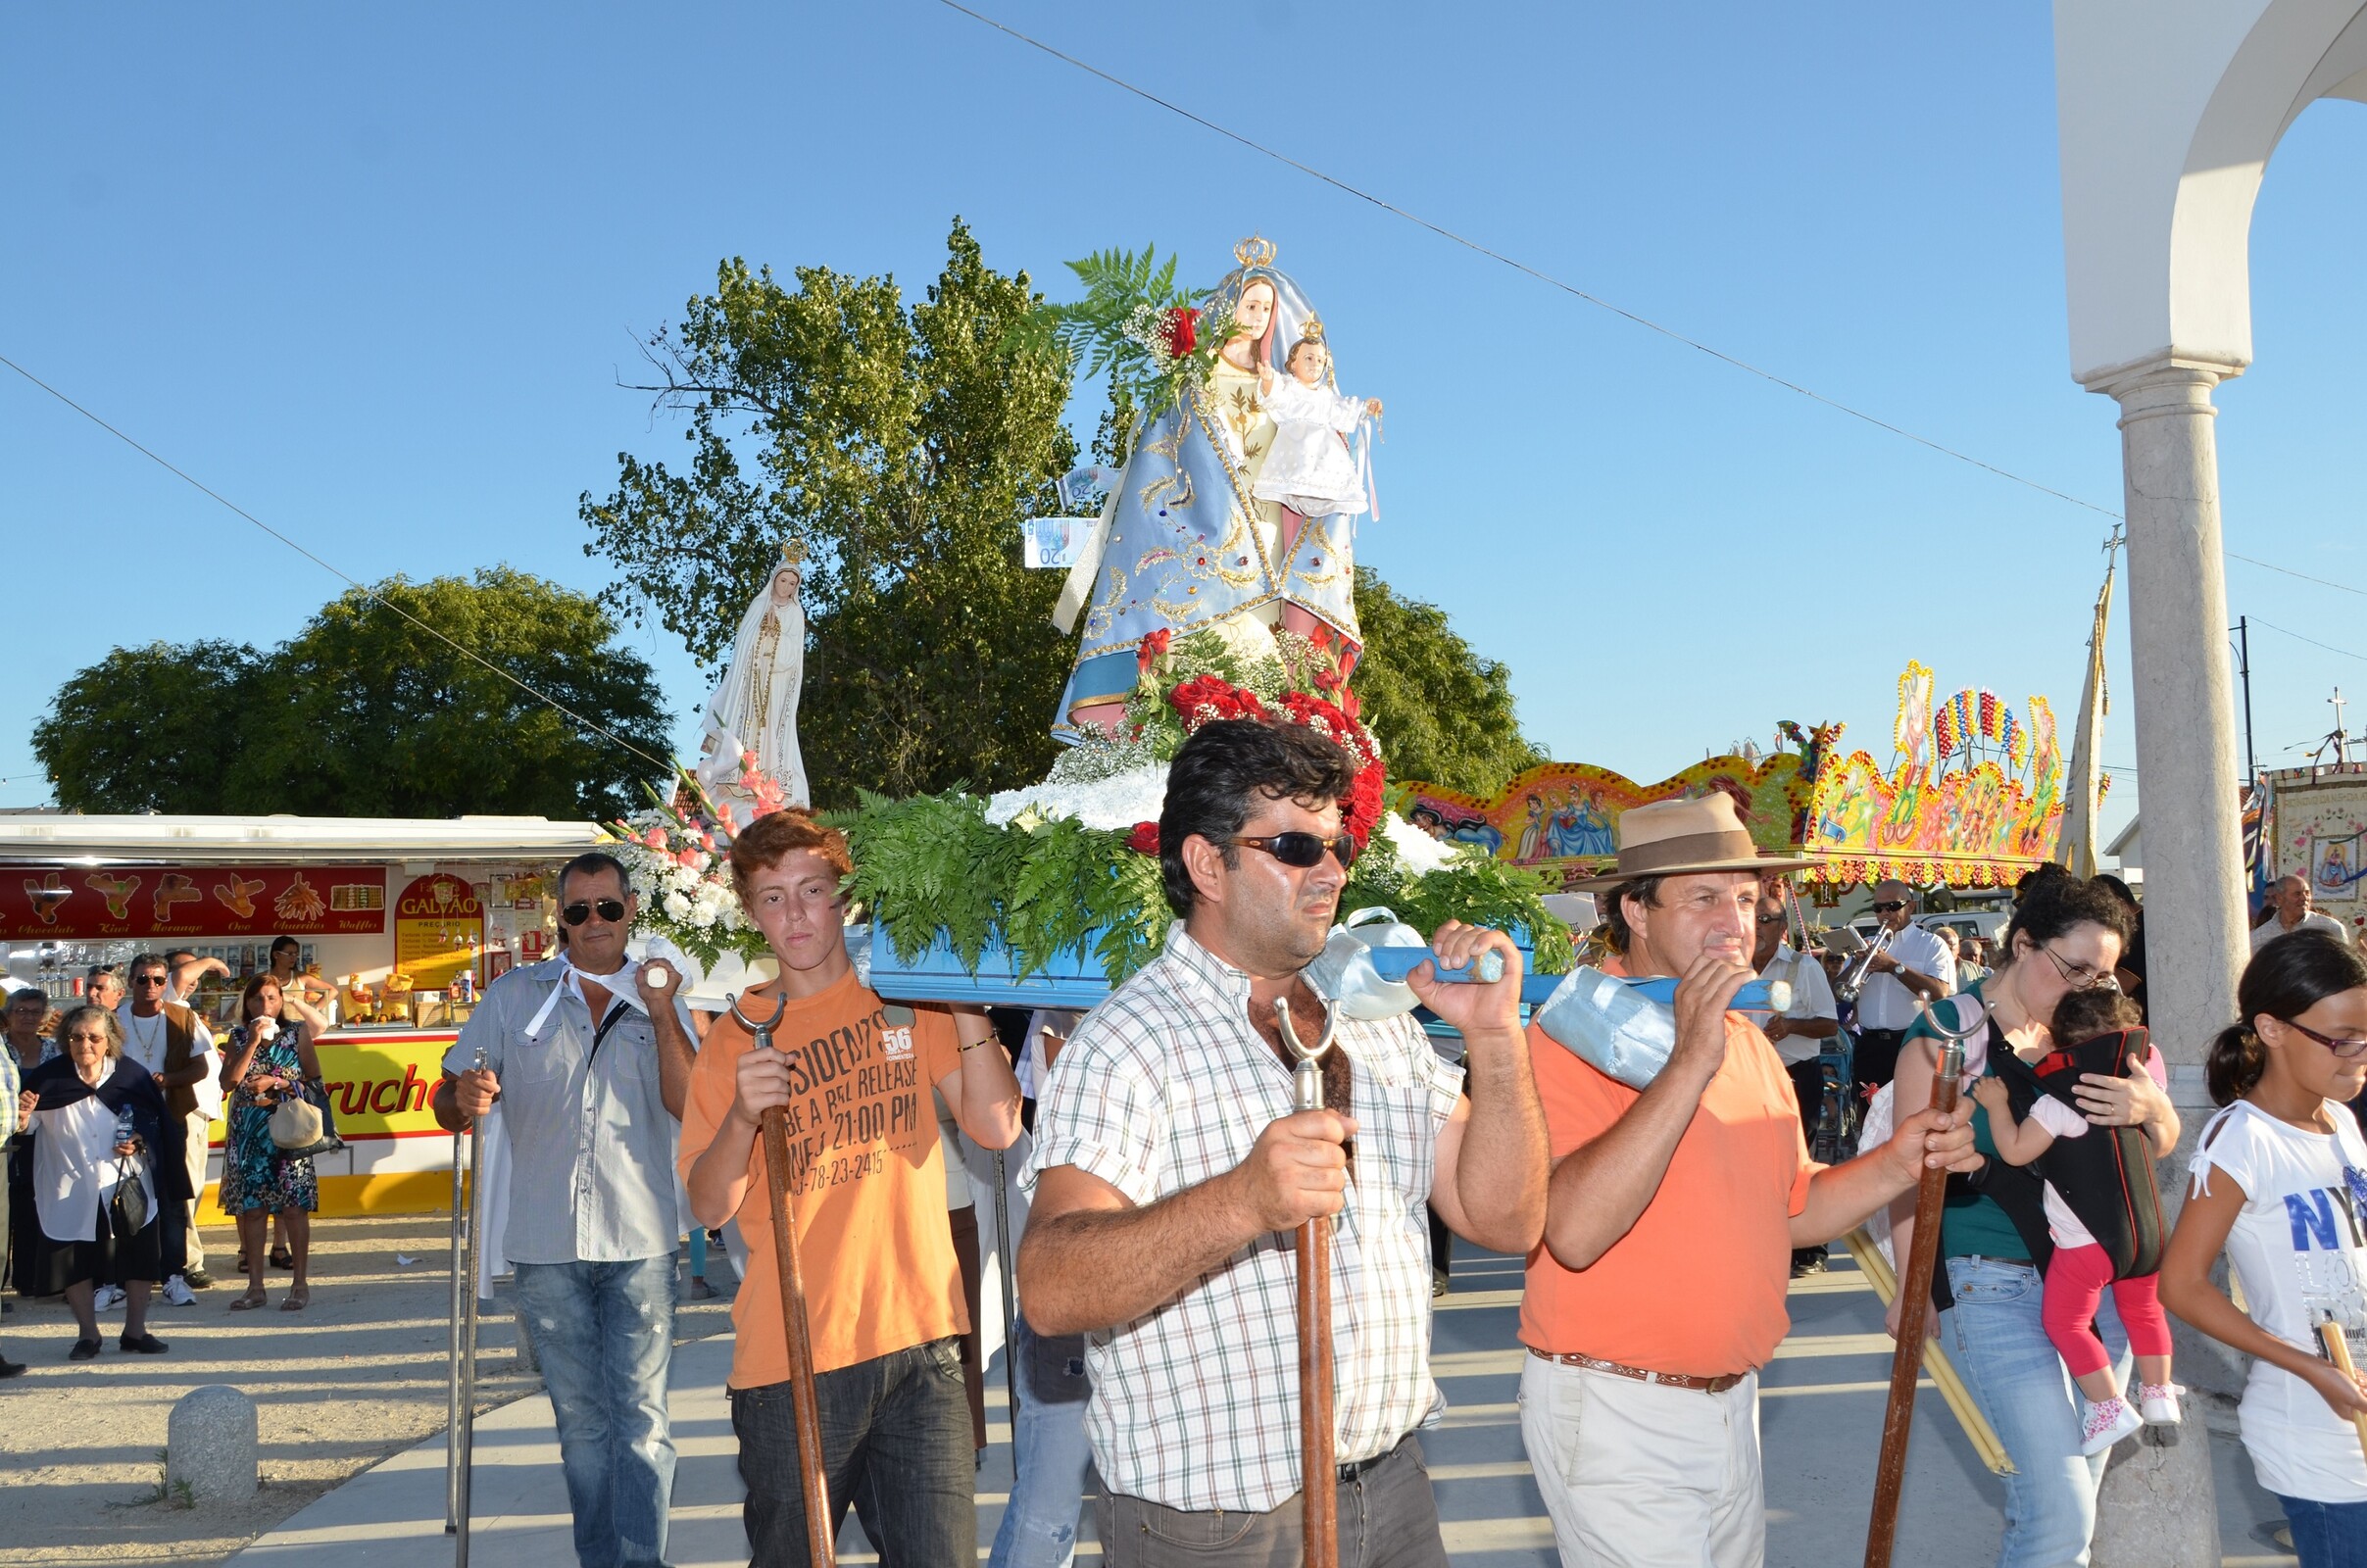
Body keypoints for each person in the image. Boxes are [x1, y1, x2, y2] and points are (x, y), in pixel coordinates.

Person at [1020, 718, 1550, 1566]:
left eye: (1339, 847)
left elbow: (1507, 1219)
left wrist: (1495, 1041)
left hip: (1392, 1490)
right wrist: (1241, 1201)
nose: (1331, 872)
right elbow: (1050, 1285)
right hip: (1214, 1525)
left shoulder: (1374, 1024)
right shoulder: (1129, 1041)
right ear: (1206, 864)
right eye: (1296, 847)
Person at [1521, 796, 1977, 1567]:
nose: (1733, 921)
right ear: (1634, 908)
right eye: (1702, 897)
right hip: (1614, 1409)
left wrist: (1899, 1160)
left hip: (1733, 1405)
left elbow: (1792, 1210)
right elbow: (1570, 1230)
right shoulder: (1570, 1031)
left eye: (1741, 897)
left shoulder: (1746, 1038)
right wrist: (1689, 1059)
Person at [679, 808, 1020, 1566]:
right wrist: (741, 1115)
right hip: (791, 1356)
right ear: (749, 912)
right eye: (773, 897)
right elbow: (707, 1205)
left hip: (923, 1344)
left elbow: (996, 1127)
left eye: (811, 890)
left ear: (843, 896)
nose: (795, 914)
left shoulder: (910, 1000)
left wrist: (965, 1002)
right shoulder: (738, 1035)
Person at [1889, 873, 2177, 1567]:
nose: (2089, 987)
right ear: (2022, 944)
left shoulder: (2111, 1036)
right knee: (2059, 1511)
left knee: (2063, 1509)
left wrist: (2152, 1111)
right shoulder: (1946, 1036)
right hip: (1991, 1279)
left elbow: (2156, 1143)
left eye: (2106, 974)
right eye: (2074, 967)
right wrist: (1910, 1288)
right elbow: (1904, 1176)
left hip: (2103, 1287)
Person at [434, 851, 699, 1568]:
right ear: (560, 917)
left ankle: (641, 1561)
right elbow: (448, 1096)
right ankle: (602, 1561)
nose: (593, 923)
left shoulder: (659, 994)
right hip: (545, 1243)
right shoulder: (515, 995)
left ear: (630, 910)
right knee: (581, 1425)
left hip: (640, 1241)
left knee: (641, 1420)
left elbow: (690, 1101)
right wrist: (461, 1099)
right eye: (578, 910)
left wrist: (664, 1007)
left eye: (606, 908)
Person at [2159, 932, 2367, 1565]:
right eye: (2340, 1040)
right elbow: (2181, 1285)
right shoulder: (2241, 1139)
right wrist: (2308, 1365)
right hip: (2312, 1430)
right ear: (2271, 1030)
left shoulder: (2340, 1123)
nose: (2358, 1055)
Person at [1972, 986, 2176, 1453]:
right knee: (2145, 1312)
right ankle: (2160, 1394)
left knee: (2065, 1322)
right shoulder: (2141, 1092)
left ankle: (2106, 1406)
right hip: (2148, 1237)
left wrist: (1998, 1106)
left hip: (2087, 1245)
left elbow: (2015, 1151)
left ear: (2058, 1045)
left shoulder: (2059, 1100)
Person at [15, 1004, 181, 1359]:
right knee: (74, 1260)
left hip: (125, 1184)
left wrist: (137, 1140)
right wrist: (23, 1114)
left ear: (110, 1041)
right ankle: (88, 1335)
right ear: (65, 1040)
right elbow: (23, 1129)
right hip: (67, 1186)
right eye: (76, 1036)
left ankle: (135, 1332)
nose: (84, 1043)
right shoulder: (48, 1080)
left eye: (93, 1037)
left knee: (138, 1258)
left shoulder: (132, 1076)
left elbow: (154, 1125)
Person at [992, 1009, 1094, 1568]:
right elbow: (1056, 1117)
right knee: (1046, 1512)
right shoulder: (1061, 1003)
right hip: (1078, 1281)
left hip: (1166, 1282)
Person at [1746, 873, 1841, 1276]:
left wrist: (1792, 1026)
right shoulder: (1733, 966)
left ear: (1783, 928)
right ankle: (1762, 1241)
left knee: (1798, 1158)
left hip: (1796, 1073)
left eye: (1766, 920)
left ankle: (1809, 1246)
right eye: (1752, 919)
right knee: (1753, 1161)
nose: (1757, 927)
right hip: (1748, 1074)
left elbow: (1830, 1025)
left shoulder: (1804, 967)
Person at [217, 975, 322, 1311]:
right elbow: (228, 1081)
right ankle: (255, 1287)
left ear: (281, 1002)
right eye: (258, 999)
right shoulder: (236, 1036)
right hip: (248, 1131)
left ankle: (300, 1285)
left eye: (272, 999)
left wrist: (277, 1081)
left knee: (293, 1207)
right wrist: (251, 1042)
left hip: (289, 1127)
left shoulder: (296, 1034)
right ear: (247, 1004)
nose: (265, 1006)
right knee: (252, 1209)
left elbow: (315, 1080)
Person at [118, 955, 218, 1299]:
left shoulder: (181, 1016)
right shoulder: (113, 1020)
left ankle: (174, 1275)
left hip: (171, 1114)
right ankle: (124, 1278)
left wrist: (168, 1079)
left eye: (158, 980)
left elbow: (201, 1069)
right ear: (130, 981)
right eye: (143, 979)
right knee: (122, 1194)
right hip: (123, 1117)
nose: (151, 986)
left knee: (172, 1197)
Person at [1253, 318, 1382, 521]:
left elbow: (1342, 408)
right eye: (1309, 358)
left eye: (1320, 361)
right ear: (1293, 363)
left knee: (1330, 482)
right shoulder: (1289, 387)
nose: (1315, 365)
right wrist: (1268, 380)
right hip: (1295, 452)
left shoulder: (1325, 395)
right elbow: (1274, 396)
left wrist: (1365, 407)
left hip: (1325, 455)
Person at [1848, 882, 1954, 1090]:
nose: (1885, 913)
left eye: (1893, 906)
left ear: (1911, 907)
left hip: (1912, 1041)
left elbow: (1940, 992)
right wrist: (1854, 963)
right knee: (1871, 1114)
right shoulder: (1865, 943)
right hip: (1870, 1044)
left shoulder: (1931, 944)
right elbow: (1838, 991)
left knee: (1912, 1110)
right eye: (1878, 908)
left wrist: (1894, 967)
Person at [2256, 874, 2349, 953]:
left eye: (2307, 893)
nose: (2304, 898)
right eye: (2297, 894)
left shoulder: (2331, 928)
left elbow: (2345, 965)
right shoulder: (2260, 936)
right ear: (2280, 898)